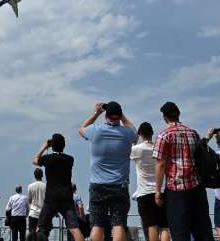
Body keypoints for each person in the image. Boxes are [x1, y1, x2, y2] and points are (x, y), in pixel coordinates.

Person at [153, 102, 214, 241]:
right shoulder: (193, 133)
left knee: (180, 232)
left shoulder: (164, 136)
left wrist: (158, 191)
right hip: (197, 187)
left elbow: (160, 164)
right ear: (179, 114)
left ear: (164, 117)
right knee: (203, 231)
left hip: (176, 189)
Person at [79, 101, 137, 241]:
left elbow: (82, 128)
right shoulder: (127, 133)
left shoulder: (96, 131)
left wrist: (96, 113)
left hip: (98, 185)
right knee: (119, 223)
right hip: (120, 185)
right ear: (119, 115)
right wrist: (122, 116)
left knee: (97, 224)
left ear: (106, 115)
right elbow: (135, 132)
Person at [32, 134, 84, 241]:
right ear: (63, 146)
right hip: (67, 198)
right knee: (74, 229)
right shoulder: (70, 159)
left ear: (52, 146)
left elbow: (35, 160)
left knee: (40, 228)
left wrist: (44, 147)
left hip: (51, 198)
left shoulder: (48, 159)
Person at [131, 122, 170, 241]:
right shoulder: (159, 149)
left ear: (140, 134)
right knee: (164, 227)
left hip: (144, 192)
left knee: (151, 226)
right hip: (162, 190)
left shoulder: (136, 149)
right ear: (152, 133)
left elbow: (129, 151)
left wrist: (134, 140)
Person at [27, 169, 46, 233]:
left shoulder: (30, 186)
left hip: (33, 213)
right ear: (42, 175)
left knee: (32, 236)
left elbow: (29, 200)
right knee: (43, 236)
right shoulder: (46, 186)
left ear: (34, 176)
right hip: (43, 214)